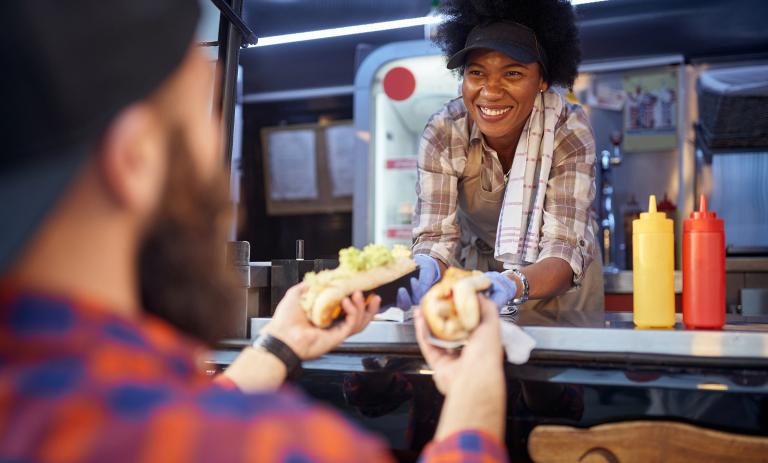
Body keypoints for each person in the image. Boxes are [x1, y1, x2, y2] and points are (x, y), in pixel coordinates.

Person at [0, 1, 508, 461]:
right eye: (200, 111)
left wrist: (277, 347)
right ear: (136, 158)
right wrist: (474, 391)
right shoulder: (277, 447)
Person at [399, 0, 604, 327]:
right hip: (480, 276)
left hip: (558, 283)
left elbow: (563, 248)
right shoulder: (445, 131)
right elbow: (435, 238)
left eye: (512, 73)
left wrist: (511, 283)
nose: (490, 91)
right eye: (476, 72)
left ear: (542, 80)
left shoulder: (568, 130)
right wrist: (425, 266)